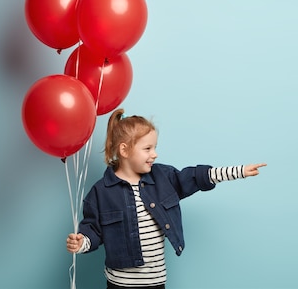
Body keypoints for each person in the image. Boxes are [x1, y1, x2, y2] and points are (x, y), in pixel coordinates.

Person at [66, 108, 266, 289]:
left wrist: (237, 171)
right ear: (124, 150)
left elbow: (195, 177)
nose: (155, 154)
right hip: (119, 284)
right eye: (147, 149)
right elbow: (92, 230)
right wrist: (81, 242)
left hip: (156, 282)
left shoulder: (164, 178)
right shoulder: (101, 192)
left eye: (155, 147)